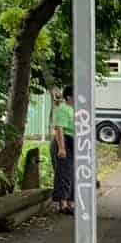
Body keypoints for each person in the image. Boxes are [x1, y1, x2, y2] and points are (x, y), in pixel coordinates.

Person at [49, 86, 76, 215]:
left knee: (72, 172)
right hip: (64, 141)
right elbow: (59, 128)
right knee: (64, 172)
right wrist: (61, 148)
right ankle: (63, 204)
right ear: (69, 96)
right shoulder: (63, 109)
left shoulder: (73, 109)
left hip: (73, 141)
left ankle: (71, 201)